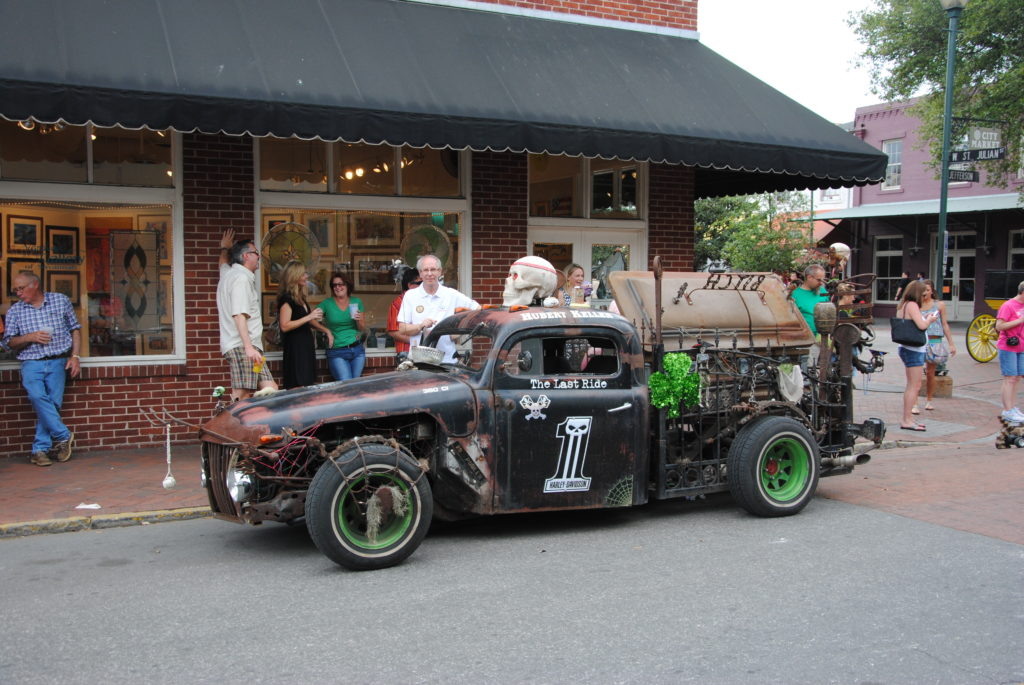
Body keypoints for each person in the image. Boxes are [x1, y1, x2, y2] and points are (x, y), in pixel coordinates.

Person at [2, 271, 81, 466]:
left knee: (51, 404)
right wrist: (30, 337)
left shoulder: (60, 300)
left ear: (34, 285)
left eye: (21, 288)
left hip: (58, 361)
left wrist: (75, 356)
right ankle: (63, 435)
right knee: (37, 397)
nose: (18, 293)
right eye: (15, 290)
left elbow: (75, 329)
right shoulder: (15, 311)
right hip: (31, 362)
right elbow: (8, 342)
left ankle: (40, 450)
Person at [217, 230, 278, 401]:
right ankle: (230, 427)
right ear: (245, 256)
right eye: (256, 253)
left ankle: (263, 426)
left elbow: (222, 264)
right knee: (241, 396)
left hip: (250, 349)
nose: (258, 256)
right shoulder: (240, 279)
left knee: (270, 389)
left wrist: (224, 249)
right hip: (243, 348)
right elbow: (239, 315)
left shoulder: (229, 273)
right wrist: (248, 347)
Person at [398, 254, 479, 363]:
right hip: (420, 362)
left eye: (433, 269)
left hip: (447, 361)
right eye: (425, 270)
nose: (430, 274)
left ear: (440, 271)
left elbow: (477, 309)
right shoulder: (410, 296)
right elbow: (402, 329)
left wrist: (457, 332)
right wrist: (420, 326)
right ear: (420, 273)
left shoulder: (451, 294)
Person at [276, 261, 328, 389]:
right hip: (295, 348)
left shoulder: (299, 297)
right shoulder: (287, 299)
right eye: (303, 274)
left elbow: (308, 321)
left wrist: (326, 330)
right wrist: (309, 316)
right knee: (297, 385)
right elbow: (285, 325)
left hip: (305, 346)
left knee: (306, 385)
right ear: (295, 276)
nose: (306, 276)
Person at [895, 281, 939, 432]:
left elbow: (913, 321)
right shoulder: (912, 304)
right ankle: (907, 419)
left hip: (908, 348)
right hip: (913, 349)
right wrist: (929, 319)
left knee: (912, 385)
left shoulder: (904, 304)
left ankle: (908, 418)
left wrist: (923, 317)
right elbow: (922, 326)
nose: (924, 296)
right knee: (914, 386)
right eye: (923, 293)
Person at [916, 279, 956, 413]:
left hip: (934, 340)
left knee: (930, 373)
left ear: (932, 290)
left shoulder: (939, 305)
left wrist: (951, 343)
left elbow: (944, 324)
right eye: (923, 290)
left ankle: (929, 399)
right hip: (920, 340)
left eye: (928, 290)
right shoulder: (915, 305)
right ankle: (914, 402)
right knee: (915, 373)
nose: (925, 293)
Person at [318, 271, 365, 380]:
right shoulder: (327, 303)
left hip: (357, 350)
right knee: (346, 383)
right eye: (335, 285)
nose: (337, 287)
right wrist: (326, 331)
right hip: (337, 351)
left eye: (341, 284)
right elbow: (311, 319)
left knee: (355, 385)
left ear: (347, 285)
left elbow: (361, 328)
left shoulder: (356, 302)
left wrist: (358, 320)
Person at [994, 280, 1024, 423]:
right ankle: (1007, 410)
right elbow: (999, 326)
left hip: (1021, 346)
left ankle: (1013, 407)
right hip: (1008, 345)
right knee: (1009, 378)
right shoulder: (1008, 305)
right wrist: (1020, 320)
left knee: (1017, 377)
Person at [792, 264, 829, 372]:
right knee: (807, 369)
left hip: (821, 338)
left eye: (823, 280)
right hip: (804, 339)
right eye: (819, 280)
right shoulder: (795, 294)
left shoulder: (822, 292)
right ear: (809, 277)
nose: (821, 283)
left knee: (820, 370)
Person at [387, 267, 420, 363]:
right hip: (406, 352)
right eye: (419, 283)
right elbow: (393, 332)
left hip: (425, 351)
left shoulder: (426, 300)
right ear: (410, 285)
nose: (423, 286)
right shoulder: (398, 303)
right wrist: (417, 341)